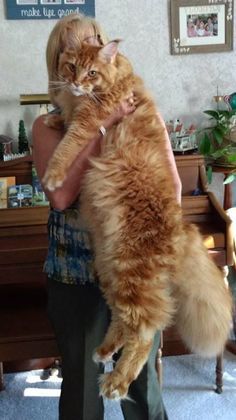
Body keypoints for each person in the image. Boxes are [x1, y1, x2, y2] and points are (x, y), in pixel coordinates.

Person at [32, 13, 182, 420]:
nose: (88, 54)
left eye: (95, 41)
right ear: (59, 63)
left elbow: (175, 188)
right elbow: (60, 197)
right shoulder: (47, 125)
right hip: (75, 271)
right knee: (82, 387)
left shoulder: (138, 109)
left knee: (142, 386)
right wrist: (102, 125)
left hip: (130, 258)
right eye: (72, 49)